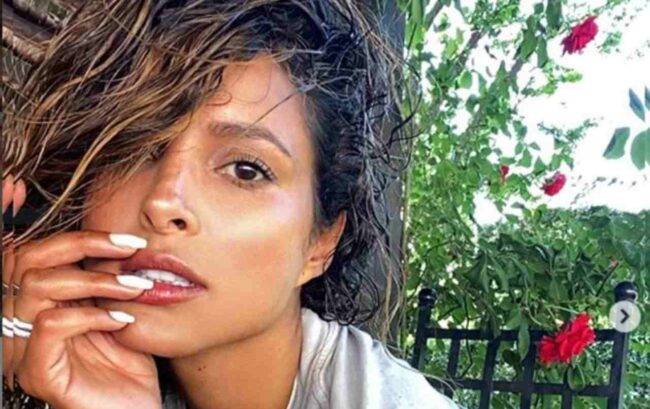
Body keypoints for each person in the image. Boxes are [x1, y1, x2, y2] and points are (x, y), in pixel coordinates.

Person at [2, 1, 458, 408]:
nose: (163, 201)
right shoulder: (94, 369)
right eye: (133, 149)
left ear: (320, 244)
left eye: (245, 170)